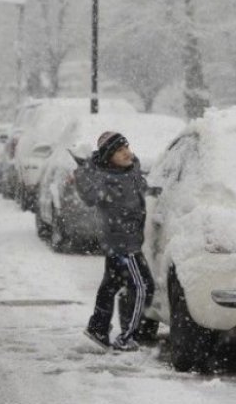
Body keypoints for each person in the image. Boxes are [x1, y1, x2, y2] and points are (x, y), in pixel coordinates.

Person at [74, 131, 157, 351]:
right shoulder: (104, 179)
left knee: (110, 285)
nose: (127, 153)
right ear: (109, 156)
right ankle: (126, 337)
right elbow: (89, 196)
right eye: (120, 151)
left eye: (127, 147)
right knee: (142, 286)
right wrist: (83, 171)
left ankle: (98, 330)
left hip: (125, 240)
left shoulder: (131, 169)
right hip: (123, 242)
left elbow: (143, 185)